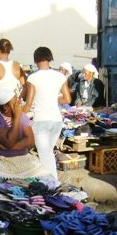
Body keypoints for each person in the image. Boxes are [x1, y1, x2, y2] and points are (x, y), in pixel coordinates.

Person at [0, 87, 52, 193]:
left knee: (50, 181)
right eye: (15, 101)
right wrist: (16, 119)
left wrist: (5, 147)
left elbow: (30, 141)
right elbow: (9, 141)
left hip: (22, 159)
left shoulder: (22, 117)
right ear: (5, 107)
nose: (19, 103)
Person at [24, 46, 71, 178]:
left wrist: (17, 114)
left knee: (46, 156)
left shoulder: (33, 78)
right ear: (50, 59)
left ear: (36, 59)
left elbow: (28, 103)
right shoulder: (60, 76)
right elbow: (67, 98)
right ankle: (49, 182)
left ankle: (53, 184)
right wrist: (53, 99)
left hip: (41, 121)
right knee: (48, 154)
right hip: (56, 120)